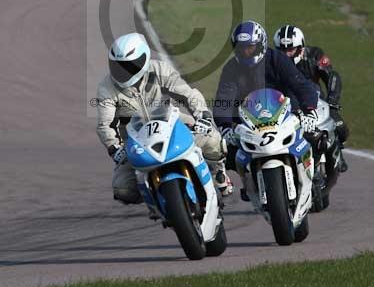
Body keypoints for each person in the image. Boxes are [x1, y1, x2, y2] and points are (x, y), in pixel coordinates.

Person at [95, 32, 233, 206]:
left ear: (143, 59)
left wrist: (202, 115)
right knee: (123, 189)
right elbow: (105, 125)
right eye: (118, 66)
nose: (123, 71)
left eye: (129, 66)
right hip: (135, 140)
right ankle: (154, 198)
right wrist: (115, 147)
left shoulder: (160, 70)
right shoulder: (106, 88)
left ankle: (217, 172)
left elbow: (188, 94)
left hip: (171, 124)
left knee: (214, 140)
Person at [213, 20, 322, 199]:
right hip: (250, 120)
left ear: (261, 44)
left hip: (285, 113)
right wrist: (225, 126)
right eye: (241, 48)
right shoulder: (232, 68)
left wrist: (309, 110)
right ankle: (249, 180)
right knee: (229, 150)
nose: (246, 52)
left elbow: (300, 84)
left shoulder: (276, 59)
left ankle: (314, 174)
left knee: (315, 135)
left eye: (250, 48)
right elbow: (224, 99)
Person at [273, 24, 349, 149]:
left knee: (340, 129)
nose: (286, 54)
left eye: (290, 50)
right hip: (287, 107)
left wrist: (332, 103)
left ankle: (336, 155)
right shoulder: (273, 62)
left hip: (318, 103)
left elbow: (331, 76)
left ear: (300, 48)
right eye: (282, 50)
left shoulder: (314, 55)